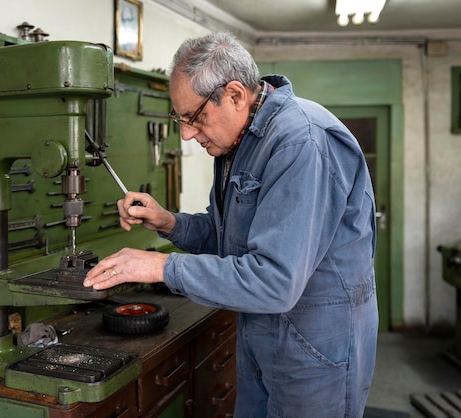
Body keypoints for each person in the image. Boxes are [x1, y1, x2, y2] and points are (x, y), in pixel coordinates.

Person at [84, 31, 378, 417]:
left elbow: (274, 280)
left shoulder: (301, 142)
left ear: (236, 95)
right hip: (262, 333)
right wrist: (168, 222)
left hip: (315, 346)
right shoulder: (239, 142)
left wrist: (159, 266)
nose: (187, 133)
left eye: (195, 117)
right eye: (180, 118)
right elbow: (231, 237)